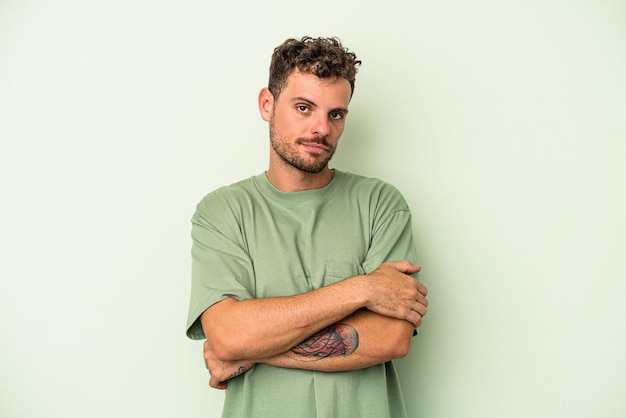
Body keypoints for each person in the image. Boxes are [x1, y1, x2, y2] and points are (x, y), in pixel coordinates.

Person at [186, 36, 429, 418]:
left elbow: (390, 338)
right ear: (267, 104)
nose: (322, 128)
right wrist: (363, 288)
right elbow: (229, 336)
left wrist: (252, 346)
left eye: (336, 114)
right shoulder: (222, 212)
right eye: (304, 107)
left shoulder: (380, 204)